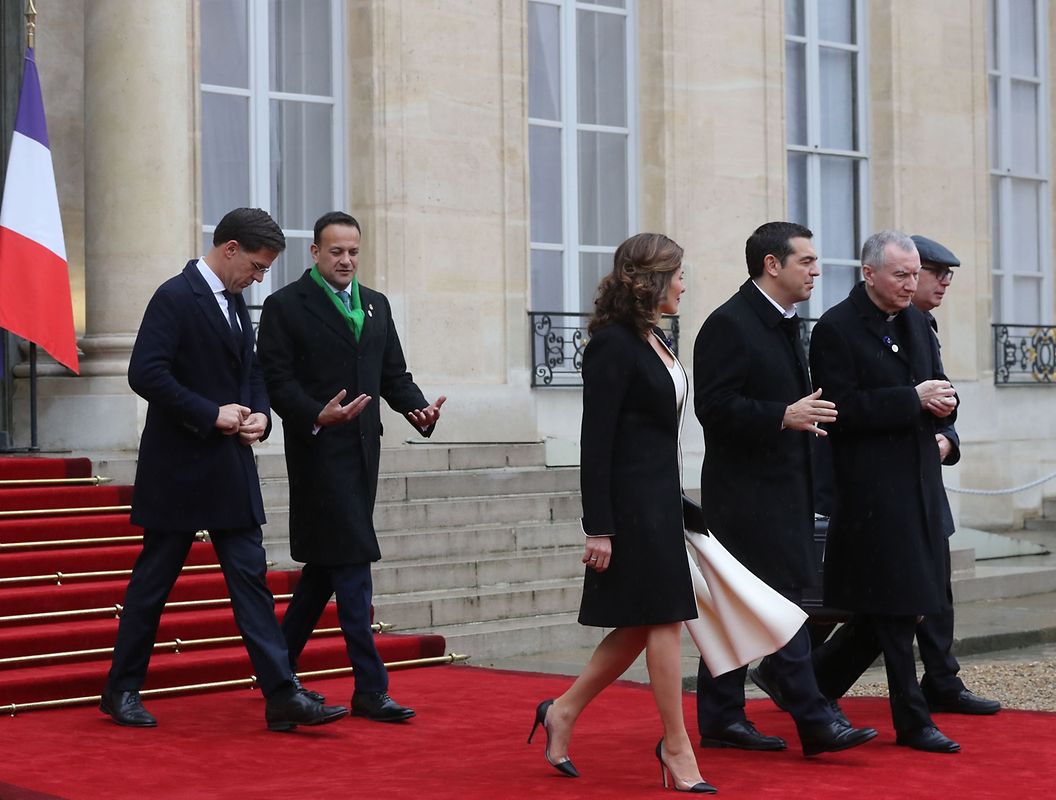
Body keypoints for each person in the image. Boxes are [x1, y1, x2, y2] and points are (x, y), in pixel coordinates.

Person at [100, 208, 349, 732]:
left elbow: (252, 371)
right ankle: (121, 690)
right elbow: (145, 372)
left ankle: (281, 693)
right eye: (257, 267)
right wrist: (209, 412)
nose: (259, 278)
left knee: (250, 581)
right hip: (179, 467)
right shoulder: (174, 295)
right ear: (230, 248)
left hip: (229, 466)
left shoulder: (235, 302)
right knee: (154, 582)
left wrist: (259, 412)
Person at [528, 233, 716, 793]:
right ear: (654, 280)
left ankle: (562, 712)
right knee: (663, 618)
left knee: (643, 623)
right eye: (678, 274)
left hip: (659, 499)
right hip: (630, 509)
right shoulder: (613, 344)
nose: (684, 284)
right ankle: (677, 746)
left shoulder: (655, 338)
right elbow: (597, 440)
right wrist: (600, 527)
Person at [692, 222, 877, 758]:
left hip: (787, 491)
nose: (817, 271)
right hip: (747, 499)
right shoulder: (729, 324)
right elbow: (714, 408)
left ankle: (722, 717)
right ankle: (815, 719)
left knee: (735, 611)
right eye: (807, 261)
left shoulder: (787, 321)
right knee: (783, 607)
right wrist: (783, 415)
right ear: (772, 264)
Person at [256, 211, 445, 723]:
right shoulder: (284, 306)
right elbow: (275, 379)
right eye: (336, 251)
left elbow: (393, 375)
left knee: (324, 569)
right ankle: (370, 686)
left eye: (353, 252)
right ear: (315, 253)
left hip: (364, 454)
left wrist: (418, 409)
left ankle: (276, 669)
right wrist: (315, 413)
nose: (346, 260)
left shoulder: (376, 305)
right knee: (354, 561)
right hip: (318, 452)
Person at [810, 236, 1000, 718]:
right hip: (871, 489)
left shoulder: (916, 322)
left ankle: (934, 679)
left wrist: (948, 435)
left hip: (920, 480)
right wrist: (912, 400)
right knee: (889, 603)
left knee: (927, 590)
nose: (913, 284)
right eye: (904, 275)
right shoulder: (835, 327)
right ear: (869, 272)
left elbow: (940, 390)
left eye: (917, 275)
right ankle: (816, 682)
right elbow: (840, 409)